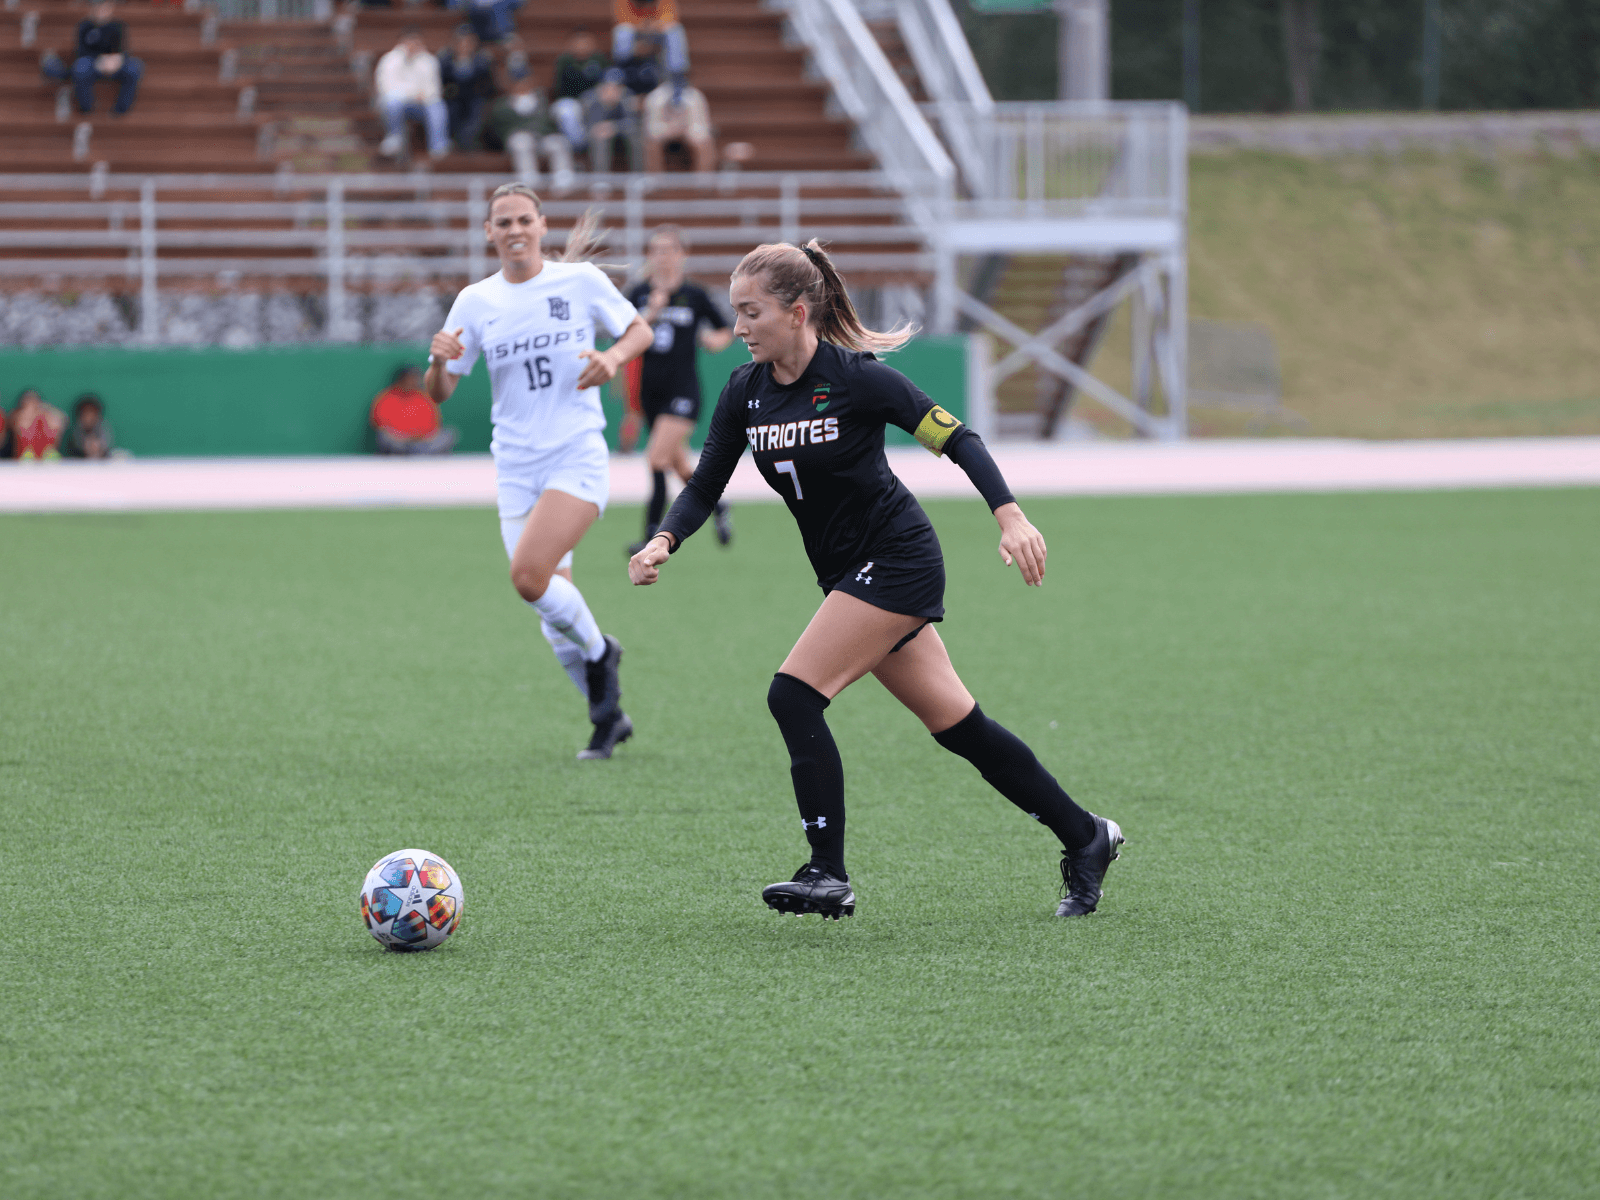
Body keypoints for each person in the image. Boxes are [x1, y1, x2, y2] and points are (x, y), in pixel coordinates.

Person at [629, 240, 1125, 920]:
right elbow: (707, 478)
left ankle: (826, 872)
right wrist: (664, 539)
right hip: (846, 573)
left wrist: (1010, 517)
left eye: (752, 312)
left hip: (897, 559)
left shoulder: (856, 379)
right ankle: (1087, 835)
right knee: (960, 727)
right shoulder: (745, 392)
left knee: (793, 695)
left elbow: (958, 438)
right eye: (737, 312)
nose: (739, 327)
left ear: (798, 311)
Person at [427, 184, 653, 759]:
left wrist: (613, 358)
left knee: (529, 577)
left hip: (575, 454)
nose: (514, 230)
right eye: (502, 222)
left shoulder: (577, 282)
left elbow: (638, 331)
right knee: (553, 617)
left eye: (523, 219)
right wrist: (437, 362)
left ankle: (604, 656)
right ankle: (609, 718)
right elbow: (442, 392)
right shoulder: (476, 301)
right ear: (489, 232)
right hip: (516, 466)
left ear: (542, 224)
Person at [623, 226, 734, 552]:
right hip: (651, 391)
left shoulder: (694, 295)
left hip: (683, 390)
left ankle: (651, 535)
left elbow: (724, 329)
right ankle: (719, 506)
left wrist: (715, 341)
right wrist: (652, 312)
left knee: (655, 459)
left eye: (669, 249)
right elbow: (622, 331)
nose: (663, 256)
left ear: (681, 255)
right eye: (656, 250)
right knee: (679, 465)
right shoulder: (640, 292)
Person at [40, 0, 143, 116]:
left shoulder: (119, 25)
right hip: (92, 63)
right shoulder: (84, 26)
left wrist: (116, 60)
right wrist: (99, 60)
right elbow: (80, 52)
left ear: (110, 7)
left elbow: (122, 50)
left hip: (114, 64)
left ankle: (121, 110)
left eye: (104, 6)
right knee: (80, 67)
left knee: (135, 67)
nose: (100, 10)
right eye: (97, 7)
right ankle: (86, 109)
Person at [486, 65, 575, 192]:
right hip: (519, 140)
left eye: (525, 80)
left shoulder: (542, 100)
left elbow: (548, 124)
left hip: (542, 138)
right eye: (518, 81)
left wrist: (537, 131)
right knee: (522, 141)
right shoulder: (502, 105)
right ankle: (529, 183)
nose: (522, 84)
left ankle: (564, 182)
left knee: (558, 142)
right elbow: (499, 129)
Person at [375, 29, 450, 160]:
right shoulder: (389, 60)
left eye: (415, 42)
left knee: (437, 107)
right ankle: (394, 137)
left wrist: (420, 96)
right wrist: (413, 94)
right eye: (409, 42)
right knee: (392, 102)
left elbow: (434, 90)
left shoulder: (429, 61)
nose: (412, 45)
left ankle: (438, 146)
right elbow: (386, 88)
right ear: (402, 42)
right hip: (397, 103)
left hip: (421, 105)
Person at [371, 366, 457, 455]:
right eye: (410, 378)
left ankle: (418, 454)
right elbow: (380, 426)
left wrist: (421, 437)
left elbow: (435, 426)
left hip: (423, 442)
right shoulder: (386, 397)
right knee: (383, 437)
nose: (413, 381)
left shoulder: (425, 398)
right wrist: (403, 436)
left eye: (415, 378)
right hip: (400, 442)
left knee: (448, 435)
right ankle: (413, 454)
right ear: (401, 379)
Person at [437, 25, 496, 151]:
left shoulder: (483, 61)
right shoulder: (445, 61)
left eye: (468, 42)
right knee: (448, 110)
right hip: (452, 100)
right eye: (460, 42)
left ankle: (468, 142)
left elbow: (490, 87)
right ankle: (453, 142)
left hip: (475, 98)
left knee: (478, 111)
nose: (464, 46)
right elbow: (441, 85)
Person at [572, 69, 642, 174]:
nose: (612, 90)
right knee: (600, 136)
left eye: (617, 87)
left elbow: (633, 122)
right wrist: (605, 105)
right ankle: (601, 179)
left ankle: (638, 175)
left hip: (619, 132)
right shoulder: (589, 98)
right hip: (592, 134)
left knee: (635, 134)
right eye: (608, 86)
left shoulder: (627, 96)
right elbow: (588, 125)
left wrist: (614, 126)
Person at [642, 74, 715, 173]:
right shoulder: (655, 97)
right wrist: (669, 130)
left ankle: (703, 183)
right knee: (651, 144)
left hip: (688, 132)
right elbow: (651, 129)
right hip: (664, 133)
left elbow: (702, 128)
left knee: (705, 144)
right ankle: (656, 184)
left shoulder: (695, 96)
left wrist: (685, 130)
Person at [612, 0, 688, 82]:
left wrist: (653, 25)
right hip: (635, 36)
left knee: (675, 30)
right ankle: (621, 71)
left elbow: (671, 18)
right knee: (623, 31)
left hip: (657, 33)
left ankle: (677, 76)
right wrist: (643, 25)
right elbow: (622, 19)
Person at [8, 389, 67, 460]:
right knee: (25, 424)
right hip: (24, 456)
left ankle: (49, 454)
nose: (32, 407)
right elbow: (16, 425)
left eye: (35, 404)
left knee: (52, 425)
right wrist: (28, 416)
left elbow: (62, 420)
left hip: (47, 455)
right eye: (28, 403)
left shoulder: (47, 417)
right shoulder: (18, 417)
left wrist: (46, 413)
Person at [59, 393, 115, 458]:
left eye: (92, 413)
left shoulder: (104, 430)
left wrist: (98, 449)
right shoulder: (75, 433)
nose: (88, 417)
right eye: (86, 414)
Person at [448, 0, 523, 45]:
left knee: (513, 41)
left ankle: (507, 40)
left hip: (499, 22)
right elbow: (453, 4)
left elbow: (519, 2)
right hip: (473, 18)